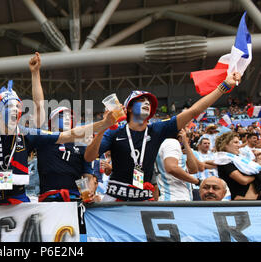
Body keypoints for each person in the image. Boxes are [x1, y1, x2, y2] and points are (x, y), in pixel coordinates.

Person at [84, 71, 242, 202]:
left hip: (142, 199)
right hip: (114, 198)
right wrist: (104, 127)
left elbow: (193, 111)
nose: (146, 102)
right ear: (129, 109)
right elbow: (89, 156)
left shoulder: (157, 129)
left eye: (148, 101)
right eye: (141, 101)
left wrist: (224, 86)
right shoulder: (114, 132)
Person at [29, 52, 95, 202]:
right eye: (61, 115)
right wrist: (35, 73)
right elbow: (39, 106)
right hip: (49, 200)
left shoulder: (81, 145)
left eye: (70, 116)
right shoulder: (44, 140)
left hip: (75, 200)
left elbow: (87, 174)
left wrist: (89, 191)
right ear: (51, 122)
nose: (66, 118)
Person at [210, 132, 261, 200]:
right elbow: (243, 180)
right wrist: (258, 174)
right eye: (235, 142)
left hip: (254, 202)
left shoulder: (239, 161)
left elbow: (257, 169)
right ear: (225, 144)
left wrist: (259, 159)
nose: (239, 145)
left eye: (238, 142)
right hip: (240, 203)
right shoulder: (224, 161)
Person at [155, 129, 201, 201]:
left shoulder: (176, 146)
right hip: (174, 197)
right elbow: (171, 168)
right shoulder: (171, 142)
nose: (186, 132)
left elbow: (193, 170)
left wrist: (186, 144)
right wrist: (196, 181)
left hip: (179, 196)